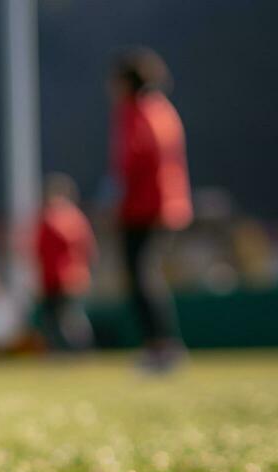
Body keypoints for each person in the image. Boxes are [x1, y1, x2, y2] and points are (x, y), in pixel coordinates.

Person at [110, 47, 192, 372]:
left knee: (141, 278)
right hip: (167, 205)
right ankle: (163, 346)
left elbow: (131, 162)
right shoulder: (163, 110)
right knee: (148, 276)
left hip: (144, 208)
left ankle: (160, 347)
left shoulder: (135, 112)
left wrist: (115, 200)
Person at [33, 174, 97, 352]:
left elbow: (39, 250)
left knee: (64, 320)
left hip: (62, 279)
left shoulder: (51, 219)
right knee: (66, 320)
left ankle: (71, 352)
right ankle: (72, 352)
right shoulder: (78, 218)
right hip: (66, 278)